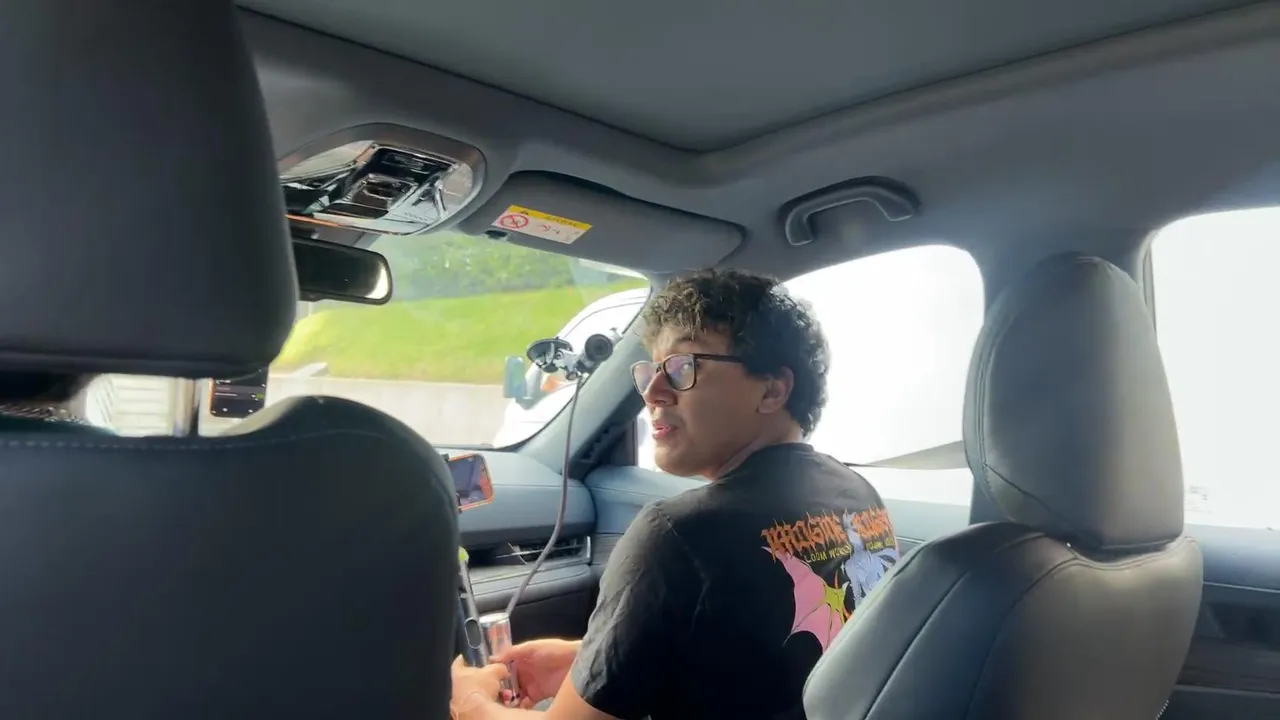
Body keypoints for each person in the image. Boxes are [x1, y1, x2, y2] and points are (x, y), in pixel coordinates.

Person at [452, 269, 901, 719]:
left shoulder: (679, 534)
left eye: (684, 367)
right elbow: (767, 654)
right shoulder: (858, 497)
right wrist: (592, 656)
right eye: (651, 371)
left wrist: (470, 703)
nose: (653, 392)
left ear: (772, 389)